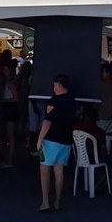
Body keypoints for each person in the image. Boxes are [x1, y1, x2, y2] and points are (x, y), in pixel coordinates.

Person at [36, 74, 76, 213]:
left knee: (44, 170)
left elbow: (47, 122)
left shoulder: (54, 101)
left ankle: (45, 202)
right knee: (59, 171)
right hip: (66, 140)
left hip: (51, 140)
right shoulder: (73, 101)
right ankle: (58, 201)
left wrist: (40, 139)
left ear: (58, 86)